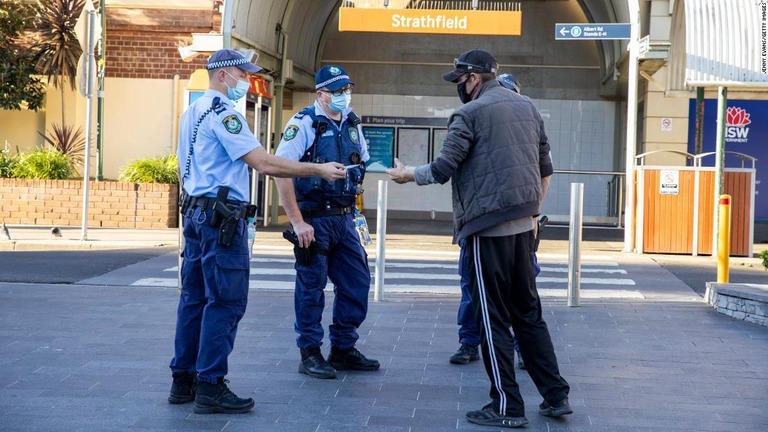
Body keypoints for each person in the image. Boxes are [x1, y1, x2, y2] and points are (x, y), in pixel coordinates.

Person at [387, 49, 571, 429]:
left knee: (492, 320)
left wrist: (408, 175)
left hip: (487, 230)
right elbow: (545, 168)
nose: (459, 88)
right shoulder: (528, 108)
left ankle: (506, 407)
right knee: (529, 315)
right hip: (523, 227)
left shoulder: (468, 115)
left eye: (459, 81)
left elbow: (442, 169)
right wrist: (532, 213)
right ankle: (556, 396)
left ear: (472, 79)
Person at [169, 49, 347, 414]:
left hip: (197, 214)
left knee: (194, 300)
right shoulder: (224, 113)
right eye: (241, 74)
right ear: (222, 75)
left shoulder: (192, 111)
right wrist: (318, 170)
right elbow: (263, 162)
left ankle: (182, 381)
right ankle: (211, 385)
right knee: (225, 301)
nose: (247, 81)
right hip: (221, 222)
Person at [274, 65, 380, 380]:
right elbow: (282, 170)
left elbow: (358, 165)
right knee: (311, 288)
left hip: (345, 220)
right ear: (321, 94)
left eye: (346, 90)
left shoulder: (351, 123)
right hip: (314, 219)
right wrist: (296, 222)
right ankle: (309, 353)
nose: (343, 96)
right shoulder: (305, 123)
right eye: (337, 91)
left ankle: (343, 349)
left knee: (357, 283)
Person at [449, 73, 527, 370]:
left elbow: (542, 172)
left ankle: (519, 347)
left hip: (513, 227)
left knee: (517, 295)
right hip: (481, 226)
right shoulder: (477, 121)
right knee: (472, 287)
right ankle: (469, 343)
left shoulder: (520, 127)